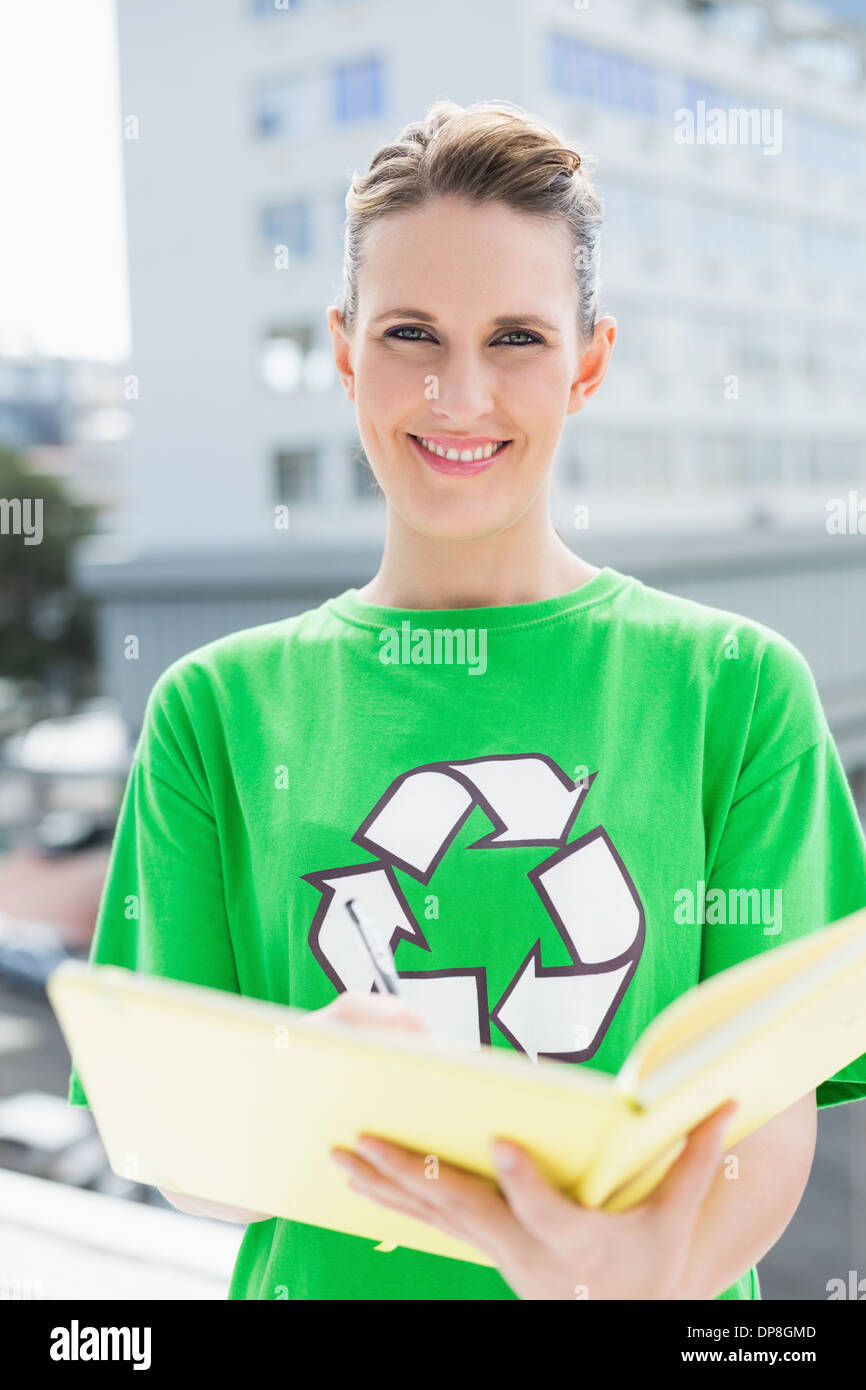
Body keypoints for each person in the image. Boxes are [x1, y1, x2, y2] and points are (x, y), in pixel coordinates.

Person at [67, 98, 866, 1301]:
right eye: (409, 333)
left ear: (587, 363)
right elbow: (176, 1145)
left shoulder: (735, 691)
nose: (456, 394)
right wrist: (301, 1082)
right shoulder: (215, 710)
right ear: (342, 350)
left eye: (513, 338)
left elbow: (764, 1128)